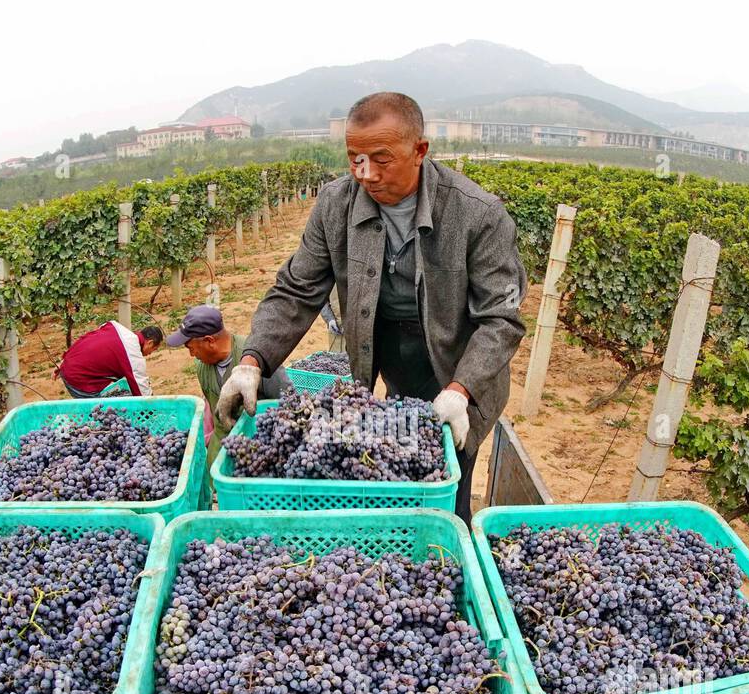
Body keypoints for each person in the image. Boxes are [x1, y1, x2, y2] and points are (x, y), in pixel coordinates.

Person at [216, 91, 527, 522]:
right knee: (394, 449)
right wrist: (251, 361)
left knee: (448, 466)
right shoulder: (335, 205)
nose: (366, 173)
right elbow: (296, 289)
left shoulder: (479, 215)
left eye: (381, 159)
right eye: (354, 158)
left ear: (419, 151)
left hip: (461, 359)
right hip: (387, 349)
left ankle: (448, 530)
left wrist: (461, 389)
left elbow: (501, 318)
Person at [166, 304, 291, 477]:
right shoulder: (202, 365)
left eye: (190, 347)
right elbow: (210, 401)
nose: (191, 354)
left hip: (256, 455)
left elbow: (289, 404)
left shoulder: (257, 359)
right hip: (220, 450)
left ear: (209, 341)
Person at [56, 321, 162, 397]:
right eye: (154, 349)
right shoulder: (133, 354)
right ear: (150, 343)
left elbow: (87, 340)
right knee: (107, 410)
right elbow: (141, 389)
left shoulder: (114, 327)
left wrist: (65, 360)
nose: (150, 354)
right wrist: (152, 411)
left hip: (68, 366)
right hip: (78, 380)